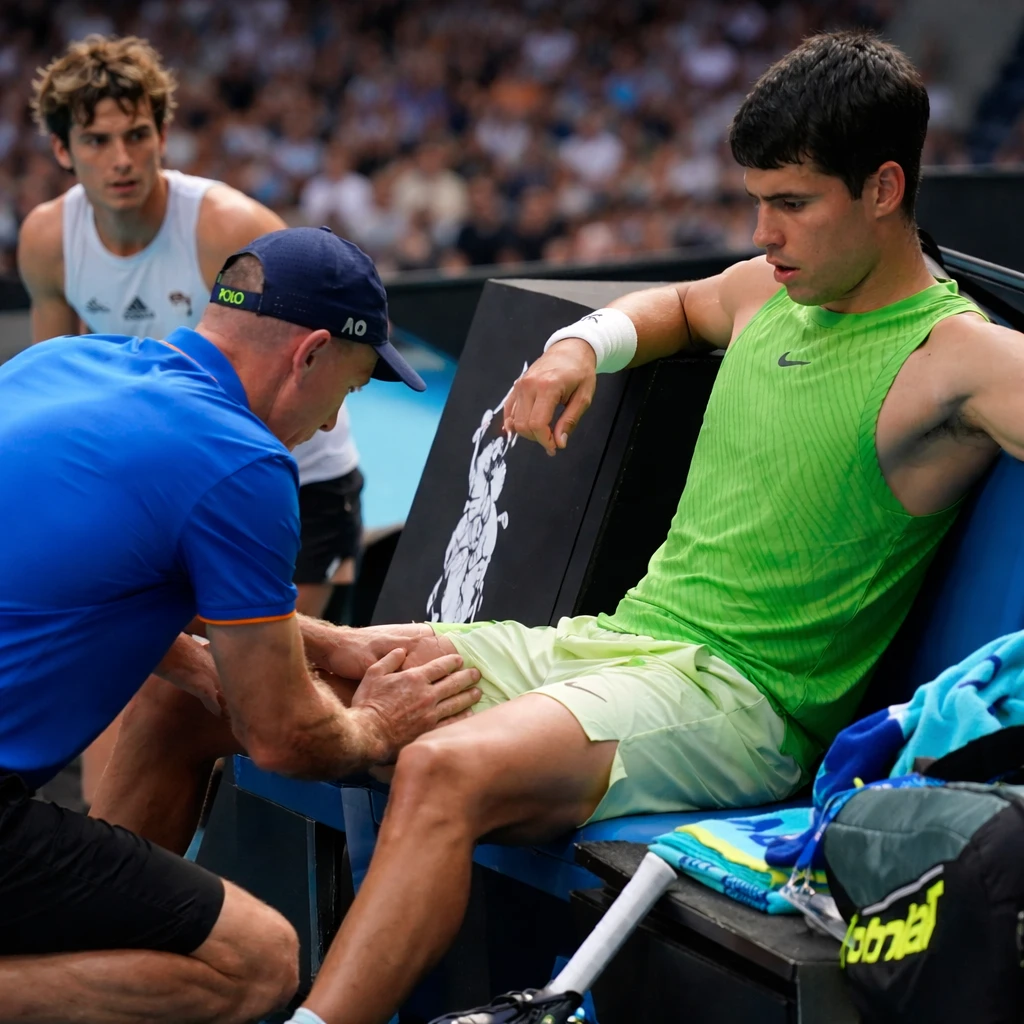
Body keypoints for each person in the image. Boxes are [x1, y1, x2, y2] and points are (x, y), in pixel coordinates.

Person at [92, 31, 1024, 1024]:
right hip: (604, 648)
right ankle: (102, 987)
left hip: (736, 702)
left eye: (791, 203)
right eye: (756, 200)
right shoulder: (769, 294)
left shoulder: (955, 354)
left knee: (445, 767)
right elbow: (674, 303)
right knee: (186, 699)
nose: (763, 233)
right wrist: (577, 346)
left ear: (884, 189)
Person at [0, 225, 481, 1023]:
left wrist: (327, 641)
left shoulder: (61, 363)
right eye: (350, 392)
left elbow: (93, 565)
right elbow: (284, 738)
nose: (330, 427)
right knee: (255, 963)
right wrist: (375, 726)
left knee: (176, 705)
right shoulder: (240, 461)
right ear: (312, 353)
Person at [16, 34, 366, 801]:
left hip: (289, 485)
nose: (122, 159)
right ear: (62, 150)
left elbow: (327, 344)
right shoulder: (49, 239)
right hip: (157, 488)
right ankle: (120, 878)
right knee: (134, 683)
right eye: (97, 139)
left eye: (137, 135)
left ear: (162, 136)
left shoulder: (227, 227)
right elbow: (70, 395)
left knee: (261, 702)